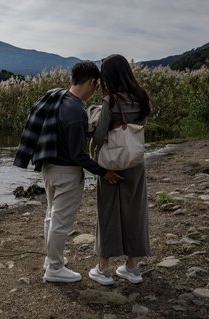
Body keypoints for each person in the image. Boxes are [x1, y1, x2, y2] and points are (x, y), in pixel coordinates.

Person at [14, 61, 123, 283]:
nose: (95, 91)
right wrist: (104, 172)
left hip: (48, 168)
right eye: (96, 86)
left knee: (51, 216)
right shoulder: (75, 111)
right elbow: (78, 155)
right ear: (91, 82)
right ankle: (54, 268)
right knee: (60, 222)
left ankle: (52, 260)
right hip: (66, 173)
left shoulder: (56, 97)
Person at [88, 54, 151, 285]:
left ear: (109, 77)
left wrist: (93, 114)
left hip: (111, 164)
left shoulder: (110, 102)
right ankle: (132, 267)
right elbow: (140, 126)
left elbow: (100, 135)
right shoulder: (142, 97)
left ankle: (104, 269)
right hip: (134, 161)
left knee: (108, 212)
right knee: (135, 210)